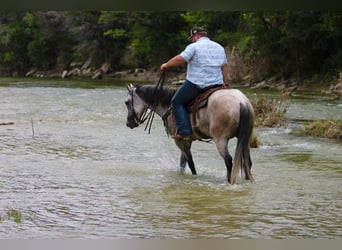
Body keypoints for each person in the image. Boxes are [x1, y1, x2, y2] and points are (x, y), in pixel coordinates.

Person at [160, 26, 228, 140]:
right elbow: (225, 67)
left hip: (198, 84)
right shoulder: (219, 47)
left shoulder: (194, 47)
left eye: (192, 37)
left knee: (176, 102)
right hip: (217, 85)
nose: (192, 40)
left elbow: (181, 58)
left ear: (196, 36)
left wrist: (166, 65)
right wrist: (223, 83)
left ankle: (185, 132)